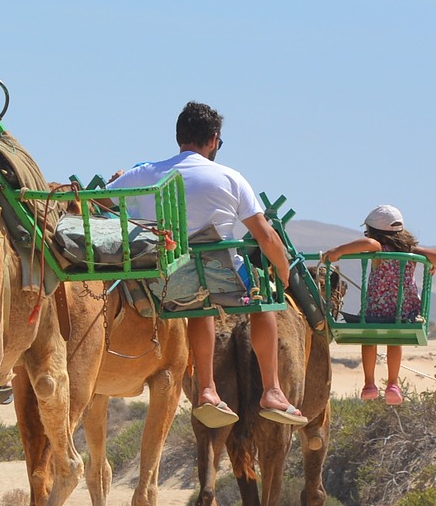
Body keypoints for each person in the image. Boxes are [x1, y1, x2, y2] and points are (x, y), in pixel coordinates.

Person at [109, 101, 307, 428]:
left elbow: (97, 199)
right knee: (265, 303)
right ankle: (272, 390)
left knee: (198, 307)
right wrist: (283, 274)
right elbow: (266, 236)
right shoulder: (230, 178)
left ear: (179, 137)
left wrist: (121, 184)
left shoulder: (145, 174)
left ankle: (207, 389)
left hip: (166, 282)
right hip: (225, 277)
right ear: (214, 140)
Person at [319, 205, 436, 404]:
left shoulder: (378, 247)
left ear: (374, 231)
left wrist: (338, 251)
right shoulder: (410, 250)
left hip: (376, 309)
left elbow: (368, 243)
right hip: (404, 311)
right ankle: (393, 384)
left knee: (368, 337)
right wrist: (431, 263)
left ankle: (369, 383)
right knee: (394, 340)